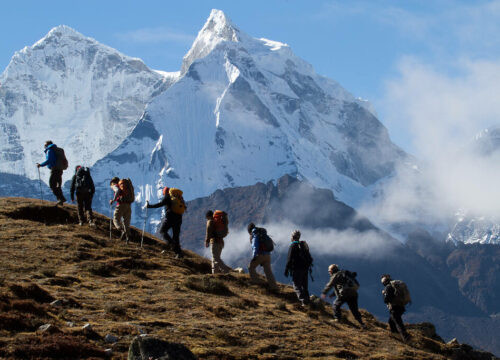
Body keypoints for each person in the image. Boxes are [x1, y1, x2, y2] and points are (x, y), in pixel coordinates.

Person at [147, 187, 185, 258]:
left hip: (170, 217)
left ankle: (171, 244)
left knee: (162, 231)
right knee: (175, 236)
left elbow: (160, 204)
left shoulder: (167, 196)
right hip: (179, 218)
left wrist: (149, 206)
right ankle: (179, 253)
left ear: (164, 192)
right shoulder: (177, 197)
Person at [284, 230, 312, 306]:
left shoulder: (293, 245)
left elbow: (289, 258)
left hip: (297, 269)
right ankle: (308, 301)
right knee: (304, 286)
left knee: (296, 285)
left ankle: (304, 301)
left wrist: (287, 269)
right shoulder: (303, 245)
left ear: (292, 237)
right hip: (305, 269)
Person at [247, 223, 278, 291]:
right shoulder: (262, 233)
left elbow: (255, 246)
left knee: (250, 267)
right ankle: (274, 287)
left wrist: (254, 256)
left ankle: (257, 282)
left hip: (260, 255)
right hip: (268, 255)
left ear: (249, 230)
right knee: (268, 271)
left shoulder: (254, 234)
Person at [381, 274, 411, 342]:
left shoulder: (388, 287)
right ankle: (397, 336)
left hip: (395, 308)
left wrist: (383, 294)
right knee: (391, 322)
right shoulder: (395, 285)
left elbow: (386, 300)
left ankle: (406, 337)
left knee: (398, 323)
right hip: (401, 306)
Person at [36, 140, 66, 205]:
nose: (44, 146)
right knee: (58, 185)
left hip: (54, 169)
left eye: (45, 145)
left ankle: (61, 198)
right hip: (60, 169)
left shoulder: (50, 150)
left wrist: (40, 165)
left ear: (47, 145)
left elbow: (49, 160)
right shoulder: (56, 150)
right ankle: (60, 201)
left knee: (52, 184)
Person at [109, 177, 132, 242]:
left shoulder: (115, 185)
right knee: (126, 222)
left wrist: (113, 200)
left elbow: (117, 191)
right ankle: (127, 238)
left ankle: (122, 230)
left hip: (120, 205)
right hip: (128, 205)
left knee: (115, 219)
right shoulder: (125, 187)